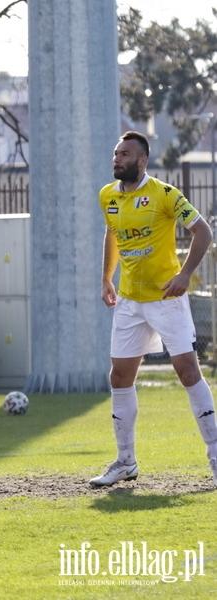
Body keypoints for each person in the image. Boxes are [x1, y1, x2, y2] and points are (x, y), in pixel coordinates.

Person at [92, 130, 217, 487]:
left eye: (125, 154)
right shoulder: (107, 196)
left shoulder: (164, 194)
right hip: (130, 301)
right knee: (119, 377)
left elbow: (204, 232)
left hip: (166, 298)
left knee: (188, 372)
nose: (117, 159)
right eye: (116, 153)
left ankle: (215, 456)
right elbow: (112, 235)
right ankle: (125, 462)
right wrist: (106, 279)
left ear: (142, 161)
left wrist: (185, 275)